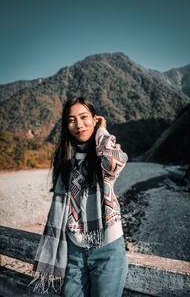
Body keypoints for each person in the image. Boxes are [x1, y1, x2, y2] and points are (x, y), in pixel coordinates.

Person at [29, 97, 128, 297]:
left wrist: (102, 131)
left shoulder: (104, 155)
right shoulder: (66, 162)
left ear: (94, 119)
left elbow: (112, 161)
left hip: (108, 248)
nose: (79, 125)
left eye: (84, 118)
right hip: (74, 250)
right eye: (71, 120)